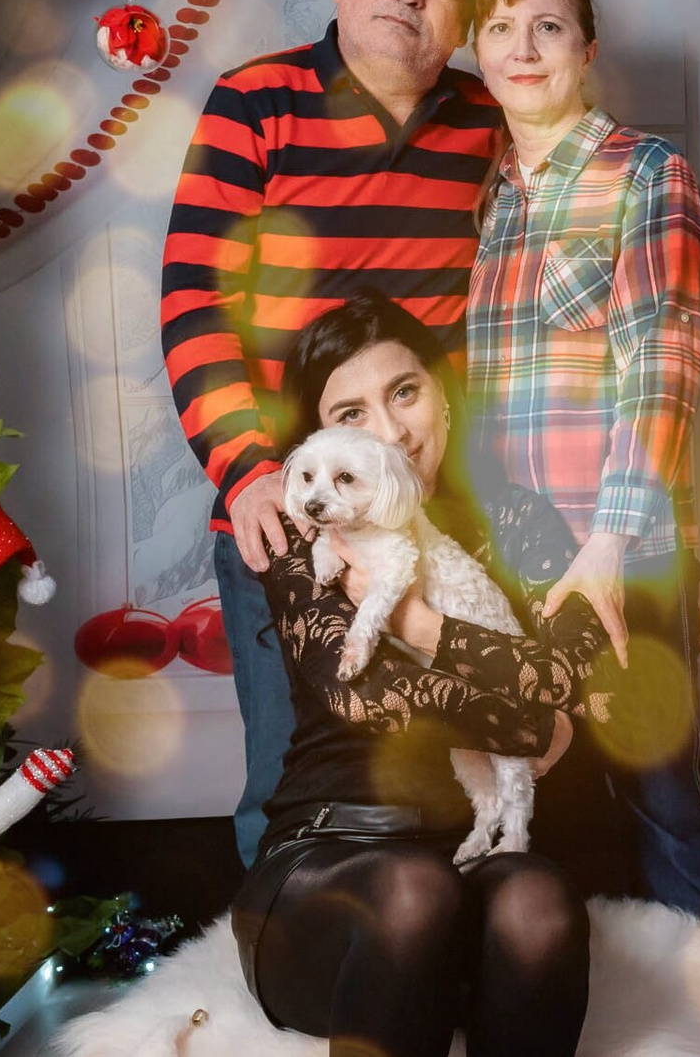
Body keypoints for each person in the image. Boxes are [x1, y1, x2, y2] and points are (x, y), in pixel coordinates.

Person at [465, 0, 700, 1054]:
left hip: (617, 551)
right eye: (501, 29)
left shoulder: (645, 172)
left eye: (547, 27)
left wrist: (607, 540)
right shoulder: (491, 195)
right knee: (530, 804)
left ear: (586, 49)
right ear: (477, 51)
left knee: (665, 803)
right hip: (510, 553)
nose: (524, 49)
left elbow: (661, 361)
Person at [160, 0, 501, 865]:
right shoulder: (254, 102)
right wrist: (246, 471)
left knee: (449, 769)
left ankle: (440, 943)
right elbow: (195, 302)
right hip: (284, 507)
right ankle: (279, 956)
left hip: (435, 513)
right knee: (291, 779)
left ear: (467, 14)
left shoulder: (489, 121)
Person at [232, 291, 609, 1057]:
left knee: (539, 901)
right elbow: (365, 696)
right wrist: (533, 722)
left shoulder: (519, 522)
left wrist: (416, 625)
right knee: (413, 890)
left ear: (442, 396)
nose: (392, 432)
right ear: (318, 440)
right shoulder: (304, 526)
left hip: (477, 856)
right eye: (352, 414)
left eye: (404, 392)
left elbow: (568, 671)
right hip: (324, 864)